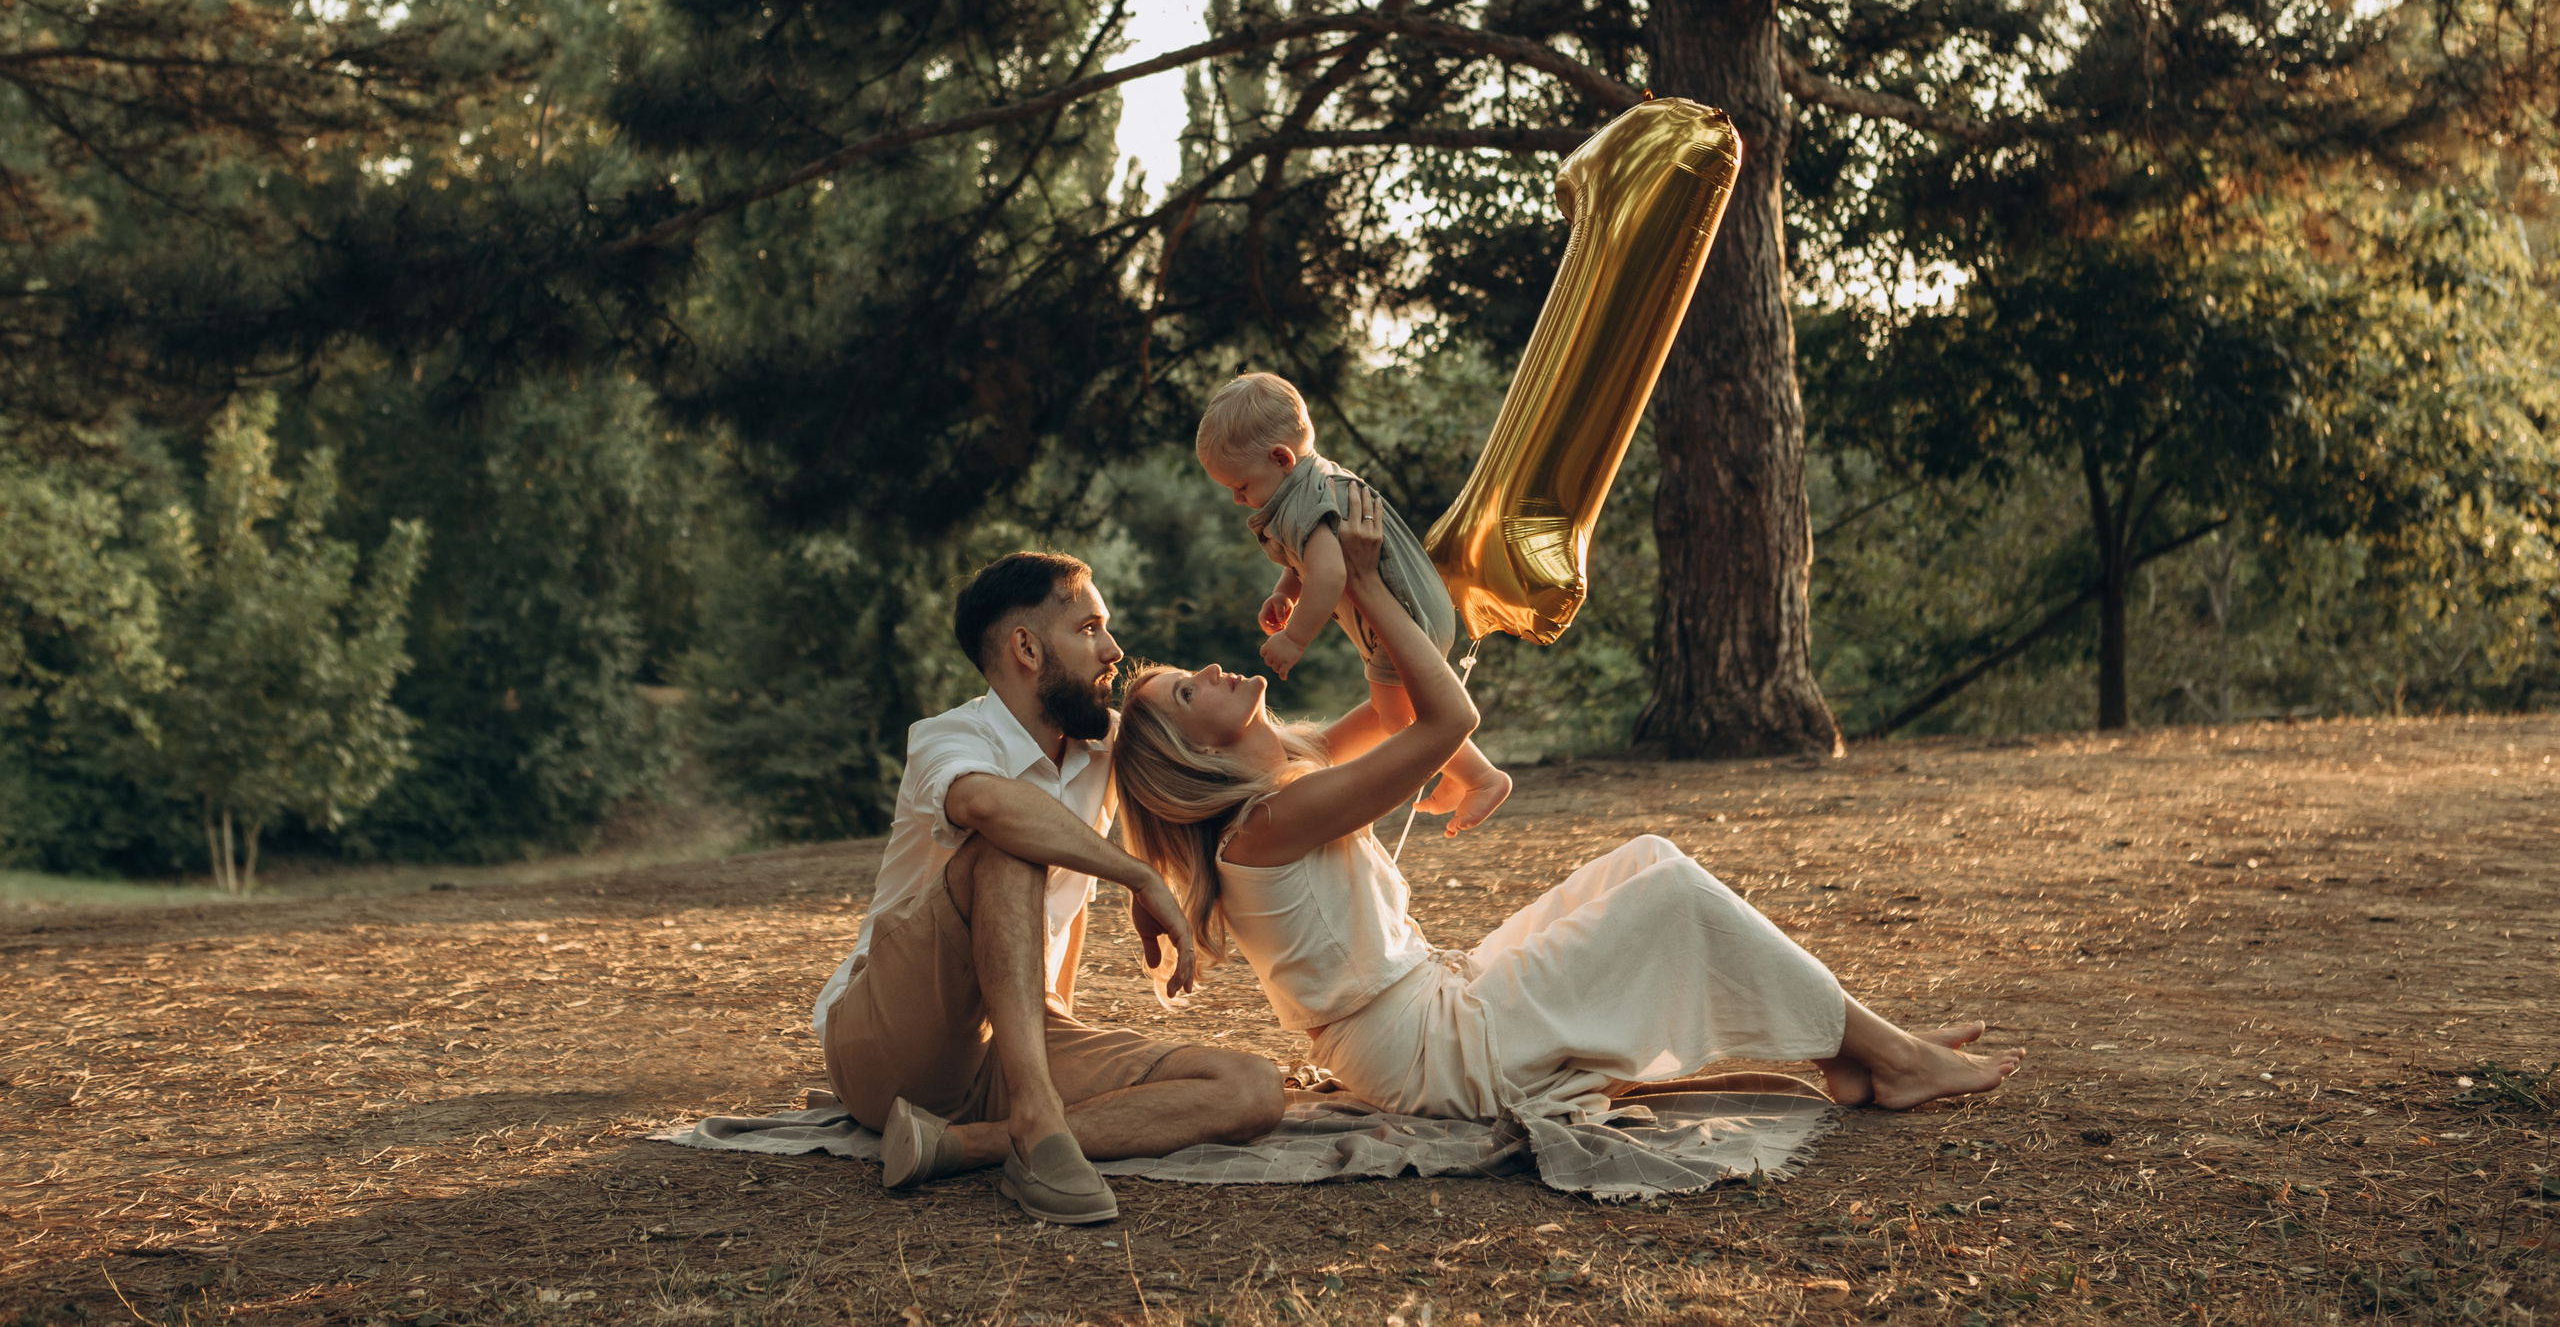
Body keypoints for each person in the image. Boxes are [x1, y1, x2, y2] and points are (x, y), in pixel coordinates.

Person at [1109, 489, 2025, 1123]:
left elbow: (1398, 700)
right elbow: (1448, 719)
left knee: (1652, 860)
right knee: (1672, 900)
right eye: (1190, 693)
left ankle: (1846, 1048)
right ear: (1193, 755)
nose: (1214, 670)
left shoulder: (1293, 771)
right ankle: (1891, 1058)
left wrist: (1354, 593)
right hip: (1428, 1049)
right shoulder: (1262, 831)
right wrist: (1367, 586)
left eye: (1189, 674)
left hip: (1433, 1001)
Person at [812, 552, 1282, 1224]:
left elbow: (1220, 757)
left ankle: (963, 1145)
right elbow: (987, 807)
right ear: (1026, 646)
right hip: (885, 1046)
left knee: (1252, 1087)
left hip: (1014, 1042)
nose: (1114, 650)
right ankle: (1036, 1123)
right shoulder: (947, 738)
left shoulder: (1101, 750)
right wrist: (1136, 874)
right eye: (1090, 628)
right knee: (1009, 842)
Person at [1194, 371, 1510, 835]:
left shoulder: (1304, 502)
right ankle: (1457, 773)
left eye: (1240, 486)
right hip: (1414, 611)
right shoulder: (1310, 483)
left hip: (1403, 618)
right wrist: (1285, 590)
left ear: (1280, 458)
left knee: (1401, 717)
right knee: (1390, 709)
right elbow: (1310, 558)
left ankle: (1480, 776)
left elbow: (1330, 572)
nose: (1239, 500)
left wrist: (1295, 638)